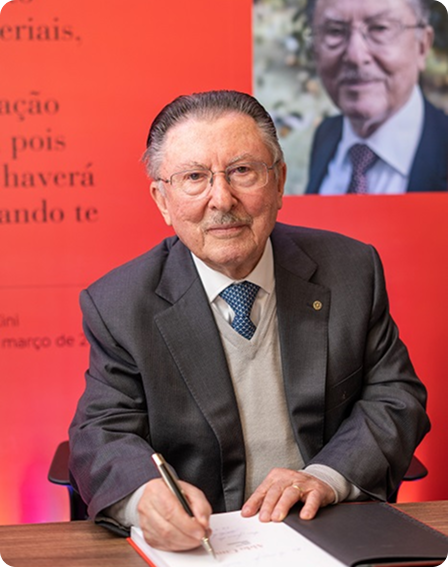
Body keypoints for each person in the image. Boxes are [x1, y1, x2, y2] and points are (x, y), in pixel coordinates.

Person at [69, 90, 430, 552]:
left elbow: (396, 397)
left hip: (326, 531)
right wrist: (144, 499)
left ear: (279, 183)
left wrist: (327, 477)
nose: (222, 199)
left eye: (242, 171)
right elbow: (101, 431)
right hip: (203, 547)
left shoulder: (351, 270)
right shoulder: (120, 304)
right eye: (194, 177)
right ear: (163, 200)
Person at [304, 0, 448, 195]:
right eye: (335, 31)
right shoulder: (327, 135)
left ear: (422, 45)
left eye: (380, 29)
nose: (355, 56)